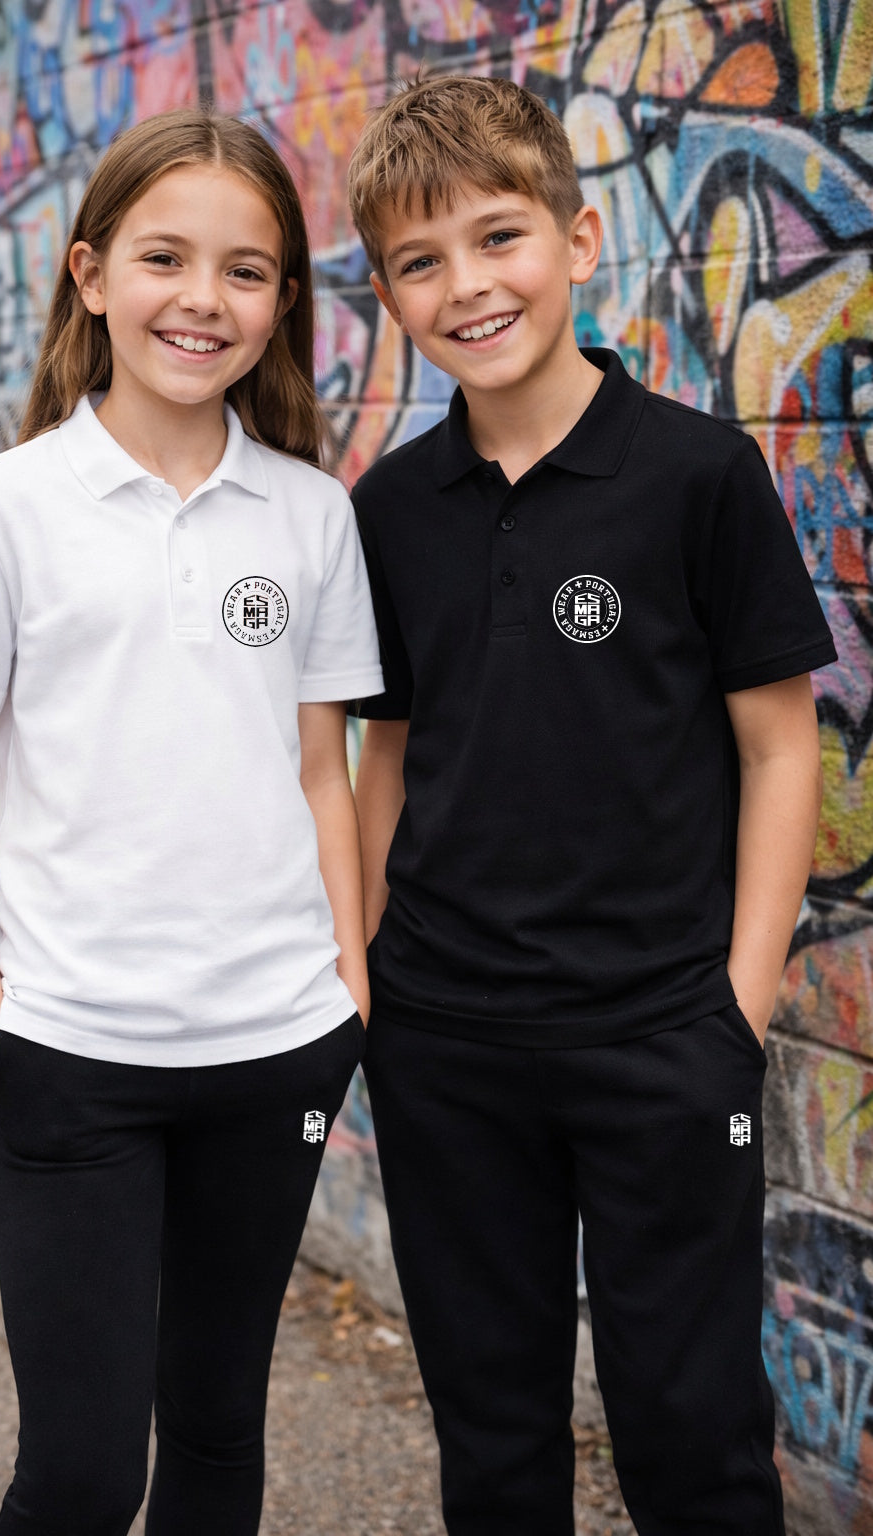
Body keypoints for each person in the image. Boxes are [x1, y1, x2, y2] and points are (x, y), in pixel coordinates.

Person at [346, 74, 835, 1536]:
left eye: (498, 237)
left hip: (659, 1038)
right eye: (420, 261)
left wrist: (736, 1006)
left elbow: (781, 750)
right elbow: (387, 758)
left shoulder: (697, 475)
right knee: (492, 1433)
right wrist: (371, 984)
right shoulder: (388, 509)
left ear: (579, 237)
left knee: (693, 1433)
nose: (466, 286)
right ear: (389, 293)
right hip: (445, 1042)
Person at [0, 108, 382, 1536]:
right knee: (82, 1474)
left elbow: (324, 770)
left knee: (219, 1440)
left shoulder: (311, 515)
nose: (203, 298)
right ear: (91, 273)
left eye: (247, 270)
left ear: (280, 303)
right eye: (165, 258)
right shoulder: (3, 509)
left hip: (278, 1048)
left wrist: (347, 992)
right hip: (72, 1056)